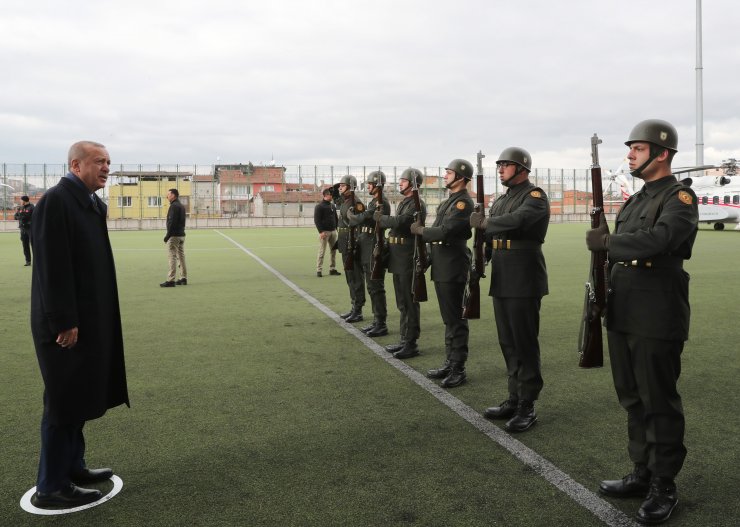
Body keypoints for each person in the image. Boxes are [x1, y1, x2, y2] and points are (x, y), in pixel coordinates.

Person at [586, 119, 698, 525]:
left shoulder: (679, 197)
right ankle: (642, 471)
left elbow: (663, 240)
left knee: (657, 399)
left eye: (637, 148)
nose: (630, 154)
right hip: (624, 305)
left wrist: (609, 242)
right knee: (631, 396)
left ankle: (664, 484)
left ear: (661, 153)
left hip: (657, 309)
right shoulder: (636, 199)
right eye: (630, 148)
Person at [29, 140, 129, 508]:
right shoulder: (56, 201)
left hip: (84, 322)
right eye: (99, 162)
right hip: (63, 327)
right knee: (62, 401)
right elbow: (52, 269)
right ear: (76, 165)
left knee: (77, 395)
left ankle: (73, 467)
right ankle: (51, 486)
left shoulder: (88, 203)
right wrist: (65, 321)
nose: (106, 167)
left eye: (108, 162)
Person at [469, 147, 549, 433]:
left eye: (506, 165)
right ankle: (514, 397)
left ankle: (528, 404)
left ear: (522, 168)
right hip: (503, 275)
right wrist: (481, 256)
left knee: (524, 342)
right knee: (508, 341)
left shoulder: (534, 197)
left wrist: (486, 223)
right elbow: (492, 236)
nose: (500, 169)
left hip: (524, 276)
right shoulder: (503, 199)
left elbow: (519, 221)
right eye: (499, 165)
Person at [410, 159, 473, 388]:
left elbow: (445, 232)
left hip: (453, 266)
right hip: (442, 264)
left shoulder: (463, 204)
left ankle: (458, 368)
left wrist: (421, 231)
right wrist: (426, 255)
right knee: (449, 319)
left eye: (449, 173)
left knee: (456, 319)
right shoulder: (449, 202)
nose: (445, 176)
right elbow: (438, 232)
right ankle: (450, 361)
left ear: (461, 177)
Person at [375, 168, 426, 358]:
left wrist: (383, 219)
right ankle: (405, 339)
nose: (400, 183)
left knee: (409, 301)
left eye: (403, 180)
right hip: (398, 256)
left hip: (407, 257)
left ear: (413, 183)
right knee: (402, 302)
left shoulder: (416, 203)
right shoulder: (406, 202)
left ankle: (411, 343)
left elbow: (402, 222)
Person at [348, 171, 391, 337]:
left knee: (376, 287)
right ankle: (376, 321)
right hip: (367, 245)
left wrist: (352, 216)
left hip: (374, 245)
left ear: (377, 185)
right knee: (371, 287)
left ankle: (381, 323)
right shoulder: (374, 202)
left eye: (370, 184)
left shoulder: (381, 203)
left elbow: (364, 218)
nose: (367, 187)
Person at [336, 175, 365, 323]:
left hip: (352, 244)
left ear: (350, 186)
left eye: (342, 185)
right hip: (344, 243)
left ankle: (358, 310)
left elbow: (360, 223)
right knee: (349, 278)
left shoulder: (356, 202)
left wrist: (355, 244)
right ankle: (354, 307)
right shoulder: (345, 201)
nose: (340, 187)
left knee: (356, 278)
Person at [161, 188, 187, 287]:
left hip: (174, 236)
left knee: (172, 256)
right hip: (181, 235)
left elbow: (172, 223)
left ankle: (171, 280)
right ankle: (183, 278)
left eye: (168, 194)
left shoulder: (174, 206)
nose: (167, 196)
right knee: (181, 256)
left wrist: (167, 236)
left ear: (173, 195)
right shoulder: (181, 206)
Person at [313, 187, 340, 278]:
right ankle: (319, 270)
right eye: (330, 194)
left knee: (333, 251)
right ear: (325, 195)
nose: (331, 196)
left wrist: (336, 229)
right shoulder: (319, 206)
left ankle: (332, 269)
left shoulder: (332, 206)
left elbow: (336, 218)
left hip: (333, 232)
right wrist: (321, 232)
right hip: (324, 232)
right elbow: (317, 220)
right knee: (322, 252)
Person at [15, 195, 34, 266]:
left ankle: (37, 261)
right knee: (25, 245)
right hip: (22, 229)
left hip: (30, 229)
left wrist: (23, 216)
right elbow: (15, 216)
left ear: (25, 200)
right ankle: (28, 261)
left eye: (21, 200)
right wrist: (20, 216)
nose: (20, 201)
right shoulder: (20, 207)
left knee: (33, 245)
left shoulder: (31, 207)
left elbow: (31, 216)